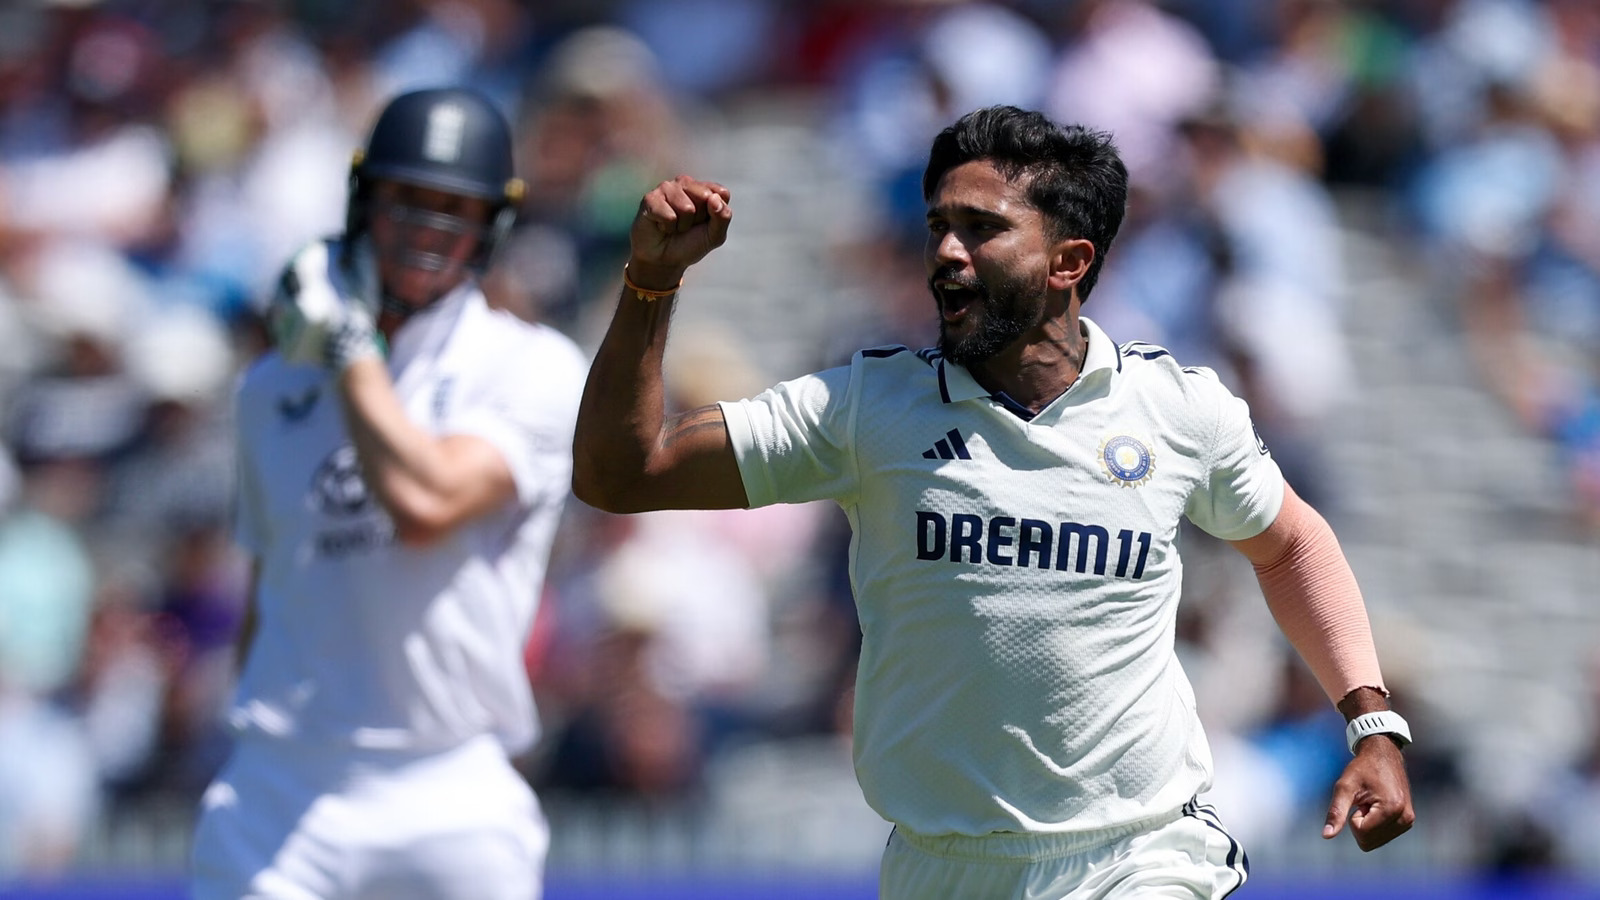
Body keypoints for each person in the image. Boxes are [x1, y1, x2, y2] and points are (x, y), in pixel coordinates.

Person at [572, 105, 1414, 898]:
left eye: (982, 229)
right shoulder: (865, 409)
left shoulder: (1178, 410)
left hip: (1139, 854)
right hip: (943, 867)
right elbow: (623, 474)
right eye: (939, 224)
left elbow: (1293, 544)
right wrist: (650, 283)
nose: (945, 250)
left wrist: (1370, 722)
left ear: (1068, 261)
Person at [190, 87, 587, 899]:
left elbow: (425, 506)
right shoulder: (271, 387)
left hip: (451, 785)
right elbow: (273, 583)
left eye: (454, 208)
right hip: (280, 787)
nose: (427, 230)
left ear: (493, 226)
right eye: (408, 200)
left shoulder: (532, 367)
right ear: (365, 198)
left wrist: (346, 347)